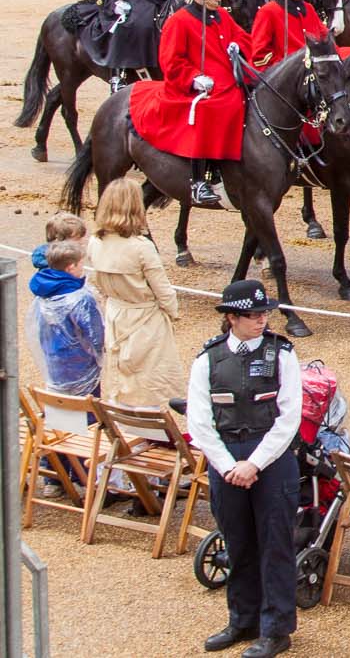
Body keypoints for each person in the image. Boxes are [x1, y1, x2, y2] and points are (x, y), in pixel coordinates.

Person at [187, 278, 302, 658]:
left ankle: (276, 628)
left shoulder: (282, 354)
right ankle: (243, 619)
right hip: (226, 459)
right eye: (254, 315)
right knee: (237, 542)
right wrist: (227, 465)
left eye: (264, 313)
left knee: (275, 544)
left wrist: (253, 463)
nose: (262, 320)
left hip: (269, 457)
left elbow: (289, 418)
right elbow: (200, 422)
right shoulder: (208, 360)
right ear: (232, 318)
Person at [127, 0, 250, 204]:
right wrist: (194, 78)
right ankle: (199, 180)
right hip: (195, 86)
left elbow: (244, 38)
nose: (220, 1)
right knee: (209, 110)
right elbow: (170, 61)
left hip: (226, 81)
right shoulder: (180, 21)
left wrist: (238, 45)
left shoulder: (221, 18)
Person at [85, 179, 184, 406]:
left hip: (116, 312)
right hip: (144, 317)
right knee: (147, 384)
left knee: (121, 377)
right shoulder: (141, 247)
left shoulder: (95, 242)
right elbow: (163, 290)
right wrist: (171, 313)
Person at [30, 238, 103, 397]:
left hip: (53, 357)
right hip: (80, 362)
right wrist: (100, 356)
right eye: (80, 264)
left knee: (61, 401)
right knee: (85, 409)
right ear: (71, 267)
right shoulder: (80, 298)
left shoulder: (42, 292)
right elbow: (95, 334)